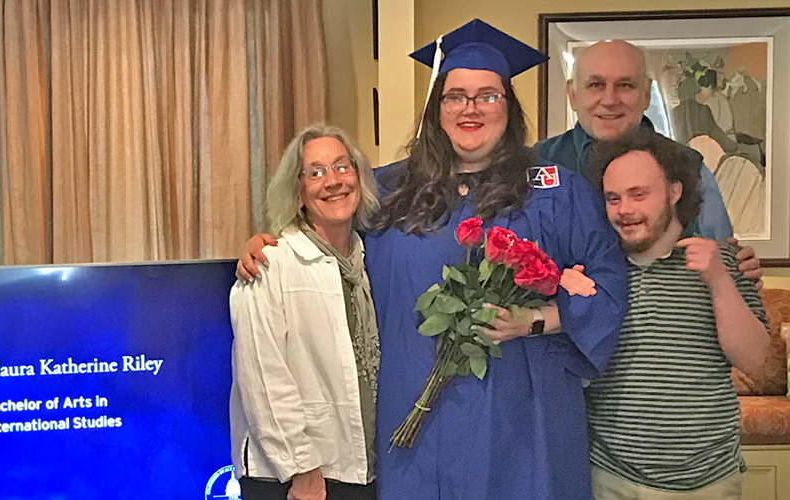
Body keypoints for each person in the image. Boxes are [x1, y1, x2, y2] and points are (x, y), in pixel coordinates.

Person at [237, 19, 629, 500]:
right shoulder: (386, 190)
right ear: (436, 109)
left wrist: (535, 319)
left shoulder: (554, 190)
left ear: (509, 107)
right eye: (456, 96)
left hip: (523, 420)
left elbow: (609, 286)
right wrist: (269, 240)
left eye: (488, 95)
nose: (471, 108)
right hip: (414, 421)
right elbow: (322, 237)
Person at [583, 128, 770, 499]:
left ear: (674, 191)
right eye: (613, 198)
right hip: (612, 479)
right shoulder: (595, 272)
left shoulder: (727, 262)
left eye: (639, 194)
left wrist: (718, 279)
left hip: (709, 482)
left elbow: (759, 364)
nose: (625, 210)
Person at [228, 123, 380, 500]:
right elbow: (262, 377)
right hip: (294, 479)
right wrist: (302, 469)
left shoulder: (367, 261)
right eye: (315, 172)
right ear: (297, 192)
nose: (333, 181)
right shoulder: (268, 264)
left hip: (356, 469)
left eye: (343, 167)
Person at [535, 40, 763, 285]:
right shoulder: (536, 164)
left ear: (646, 94)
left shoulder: (688, 167)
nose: (610, 99)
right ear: (572, 94)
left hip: (668, 318)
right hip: (563, 320)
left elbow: (724, 264)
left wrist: (738, 270)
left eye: (625, 85)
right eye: (595, 84)